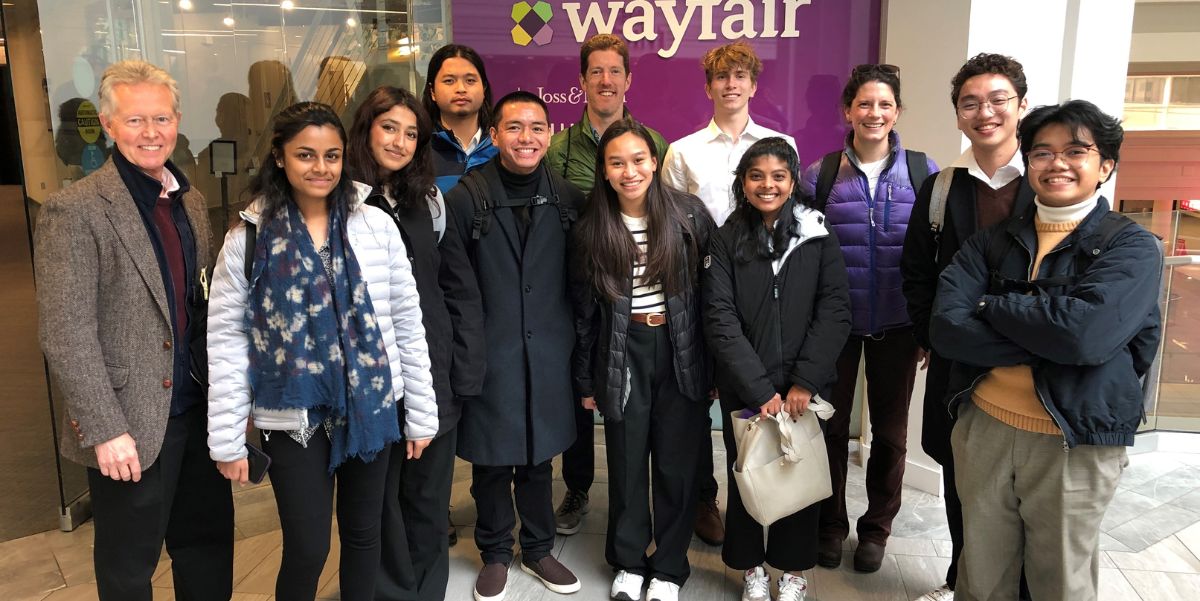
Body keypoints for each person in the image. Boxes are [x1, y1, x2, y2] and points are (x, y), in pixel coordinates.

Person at [930, 99, 1162, 601]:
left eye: (1075, 151)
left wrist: (991, 304)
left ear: (1105, 166)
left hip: (1073, 439)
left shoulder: (1132, 247)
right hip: (985, 426)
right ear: (1028, 162)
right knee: (981, 578)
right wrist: (1050, 332)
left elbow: (1086, 337)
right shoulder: (990, 243)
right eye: (1042, 153)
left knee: (1060, 582)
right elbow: (947, 329)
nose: (1057, 163)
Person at [206, 101, 438, 601]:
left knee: (363, 535)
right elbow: (227, 341)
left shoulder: (375, 227)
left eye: (332, 156)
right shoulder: (248, 239)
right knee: (307, 547)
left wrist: (421, 414)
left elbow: (407, 325)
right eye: (305, 155)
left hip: (371, 407)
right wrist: (226, 438)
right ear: (280, 157)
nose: (321, 168)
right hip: (292, 415)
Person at [34, 60, 234, 601]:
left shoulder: (189, 200)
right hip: (130, 424)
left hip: (199, 412)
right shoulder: (73, 211)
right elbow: (65, 331)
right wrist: (103, 428)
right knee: (128, 569)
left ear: (177, 122)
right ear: (107, 123)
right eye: (136, 120)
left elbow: (202, 304)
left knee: (208, 547)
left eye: (162, 119)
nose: (151, 133)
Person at [439, 91, 585, 601]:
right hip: (490, 354)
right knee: (492, 461)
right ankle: (496, 551)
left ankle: (540, 548)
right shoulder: (464, 199)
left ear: (550, 134)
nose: (527, 138)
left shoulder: (567, 199)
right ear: (495, 134)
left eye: (537, 127)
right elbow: (453, 287)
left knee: (540, 459)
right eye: (515, 128)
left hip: (548, 352)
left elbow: (578, 284)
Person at [899, 53, 1033, 601]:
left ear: (1022, 106)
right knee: (960, 474)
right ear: (957, 115)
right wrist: (934, 335)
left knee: (1025, 485)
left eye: (999, 100)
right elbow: (915, 272)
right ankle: (963, 580)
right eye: (970, 103)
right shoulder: (941, 188)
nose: (985, 112)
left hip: (1032, 363)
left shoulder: (1048, 181)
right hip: (959, 364)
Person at [799, 63, 938, 573]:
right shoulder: (821, 175)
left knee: (892, 435)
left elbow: (933, 256)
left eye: (884, 104)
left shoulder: (924, 173)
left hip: (899, 326)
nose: (873, 113)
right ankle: (830, 526)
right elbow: (804, 254)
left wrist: (927, 327)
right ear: (848, 111)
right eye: (864, 104)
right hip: (835, 325)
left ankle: (876, 529)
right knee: (829, 432)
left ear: (897, 111)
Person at [347, 85, 482, 601]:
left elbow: (456, 287)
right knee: (379, 502)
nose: (400, 142)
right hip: (370, 381)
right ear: (365, 129)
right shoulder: (337, 200)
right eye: (389, 128)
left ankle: (428, 591)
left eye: (411, 133)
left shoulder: (428, 200)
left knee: (428, 497)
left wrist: (465, 366)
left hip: (431, 371)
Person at [570, 119, 715, 601]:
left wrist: (714, 365)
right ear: (605, 172)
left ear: (655, 161)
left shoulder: (688, 215)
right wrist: (586, 378)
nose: (629, 171)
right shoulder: (592, 227)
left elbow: (711, 298)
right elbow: (584, 311)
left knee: (677, 465)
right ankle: (629, 561)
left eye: (638, 160)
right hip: (621, 349)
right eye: (617, 163)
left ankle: (670, 567)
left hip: (679, 349)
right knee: (627, 463)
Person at [703, 137, 851, 601]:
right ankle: (750, 568)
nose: (767, 185)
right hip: (745, 388)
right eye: (756, 176)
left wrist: (805, 382)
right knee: (748, 471)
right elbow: (719, 318)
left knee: (797, 476)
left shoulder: (816, 235)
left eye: (778, 176)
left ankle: (791, 571)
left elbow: (835, 309)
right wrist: (758, 390)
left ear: (792, 181)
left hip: (804, 388)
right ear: (743, 183)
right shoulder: (725, 239)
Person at [662, 40, 796, 546]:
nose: (731, 84)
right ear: (709, 86)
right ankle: (704, 499)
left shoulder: (781, 143)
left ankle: (761, 499)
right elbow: (671, 225)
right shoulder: (683, 151)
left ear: (754, 85)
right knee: (698, 401)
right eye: (722, 77)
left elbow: (790, 215)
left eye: (741, 76)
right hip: (700, 290)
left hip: (765, 291)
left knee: (751, 397)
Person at [546, 32, 671, 538]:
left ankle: (672, 504)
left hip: (637, 292)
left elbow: (661, 215)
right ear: (581, 81)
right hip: (580, 283)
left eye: (614, 71)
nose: (605, 80)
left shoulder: (654, 142)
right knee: (583, 391)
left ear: (627, 79)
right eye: (595, 71)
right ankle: (577, 489)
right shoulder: (559, 148)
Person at [424, 44, 499, 194]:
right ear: (432, 91)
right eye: (449, 81)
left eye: (470, 80)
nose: (461, 89)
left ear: (484, 88)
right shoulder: (418, 148)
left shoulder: (502, 146)